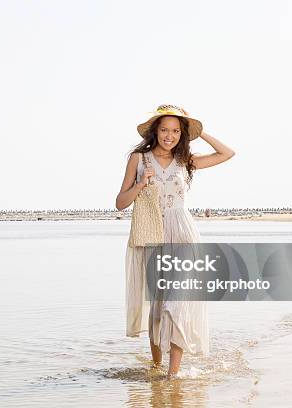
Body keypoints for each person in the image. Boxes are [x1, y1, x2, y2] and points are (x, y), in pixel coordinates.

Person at [115, 104, 235, 378]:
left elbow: (227, 153)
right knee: (158, 305)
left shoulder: (186, 161)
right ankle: (156, 367)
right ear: (155, 131)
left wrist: (198, 132)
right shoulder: (138, 159)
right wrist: (139, 184)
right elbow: (120, 203)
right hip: (153, 235)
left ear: (183, 134)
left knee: (178, 301)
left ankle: (172, 376)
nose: (170, 136)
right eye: (165, 129)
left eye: (177, 131)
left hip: (183, 233)